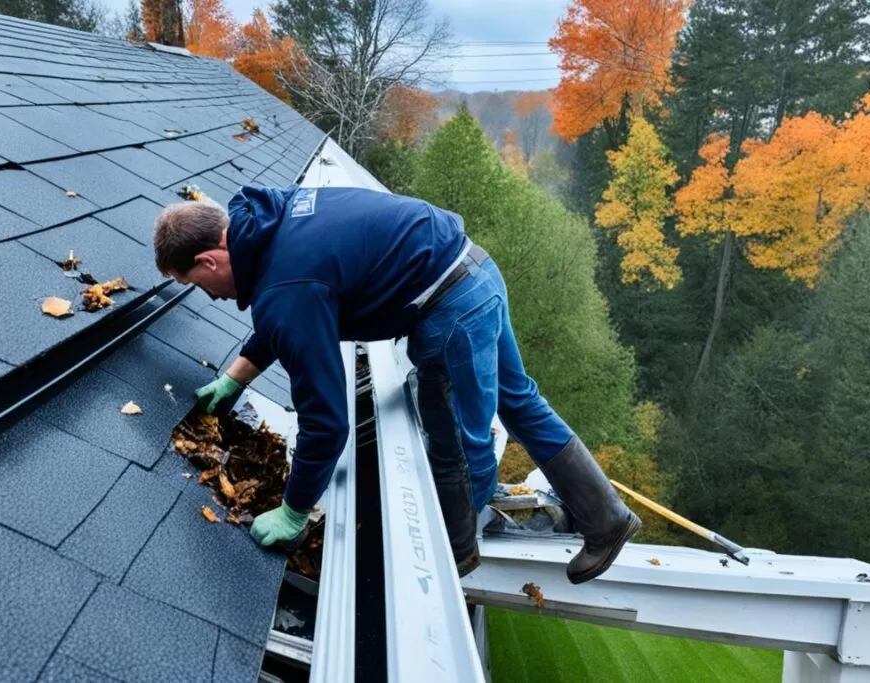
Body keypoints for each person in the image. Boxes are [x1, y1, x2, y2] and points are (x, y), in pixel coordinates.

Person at [153, 185, 641, 584]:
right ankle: (606, 517)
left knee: (450, 436)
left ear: (210, 261)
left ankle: (458, 553)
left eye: (195, 283)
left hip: (450, 311)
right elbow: (292, 306)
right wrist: (238, 376)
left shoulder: (285, 286)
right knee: (520, 401)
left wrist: (294, 511)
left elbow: (326, 419)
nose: (210, 298)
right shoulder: (269, 220)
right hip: (476, 271)